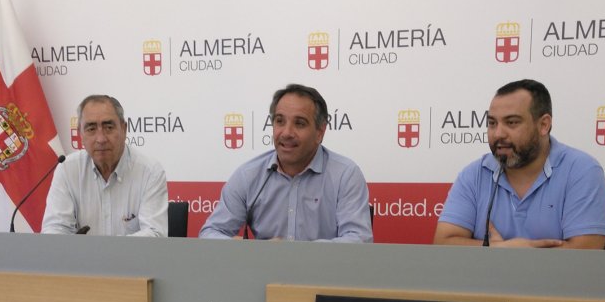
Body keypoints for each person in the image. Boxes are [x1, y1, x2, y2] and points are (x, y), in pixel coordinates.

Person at [434, 79, 605, 248]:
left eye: (511, 122)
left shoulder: (582, 171)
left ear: (544, 125)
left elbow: (584, 254)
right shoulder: (475, 174)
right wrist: (498, 249)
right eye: (492, 123)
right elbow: (443, 244)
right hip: (485, 280)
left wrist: (517, 256)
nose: (498, 134)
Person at [199, 84, 372, 242]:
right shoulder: (249, 175)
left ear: (320, 132)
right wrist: (236, 246)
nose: (287, 133)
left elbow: (358, 240)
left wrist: (293, 255)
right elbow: (210, 233)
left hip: (322, 274)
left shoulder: (345, 175)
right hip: (265, 274)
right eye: (280, 121)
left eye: (299, 123)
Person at [42, 95, 168, 236]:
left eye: (109, 127)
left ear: (124, 129)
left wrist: (101, 250)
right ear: (81, 134)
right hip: (80, 258)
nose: (101, 139)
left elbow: (155, 234)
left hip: (132, 258)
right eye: (91, 129)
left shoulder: (149, 172)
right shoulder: (67, 169)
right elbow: (54, 231)